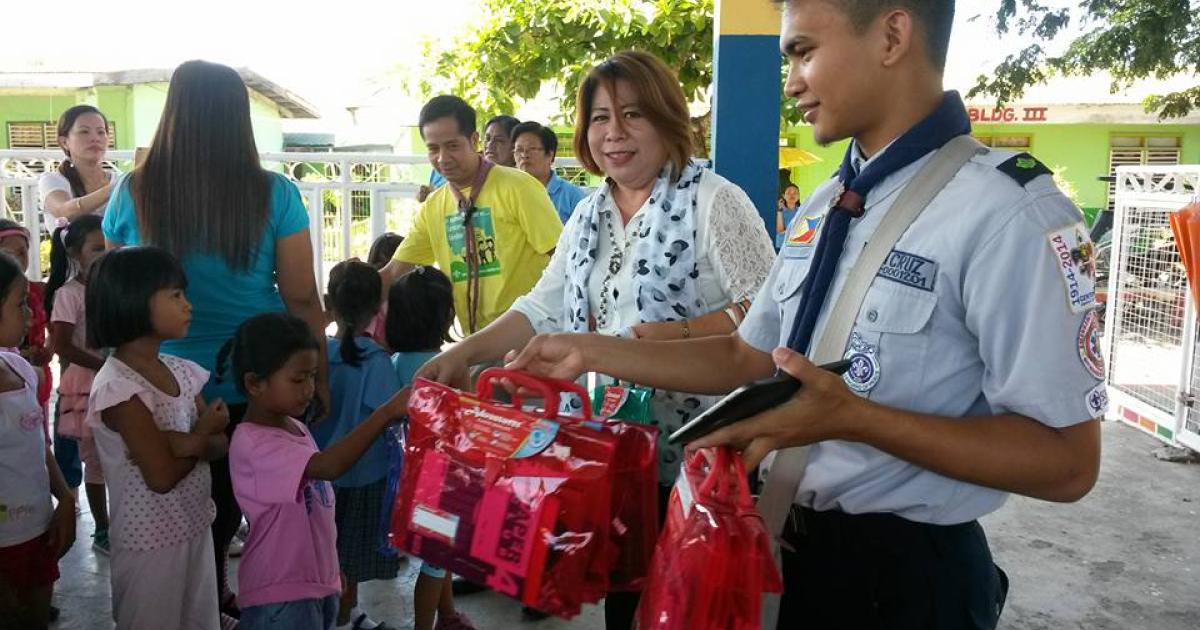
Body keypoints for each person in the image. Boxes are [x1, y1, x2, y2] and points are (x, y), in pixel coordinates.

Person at [506, 1, 1105, 629]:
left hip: (908, 575)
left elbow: (1067, 462)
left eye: (804, 53)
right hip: (796, 549)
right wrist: (590, 350)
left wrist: (854, 419)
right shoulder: (829, 204)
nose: (790, 81)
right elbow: (748, 355)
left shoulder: (1008, 212)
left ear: (893, 36)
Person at [416, 51, 776, 629]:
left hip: (704, 461)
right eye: (600, 118)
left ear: (667, 117)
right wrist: (461, 352)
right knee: (627, 605)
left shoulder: (713, 200)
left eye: (633, 115)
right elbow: (542, 306)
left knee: (695, 610)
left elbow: (766, 318)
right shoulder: (589, 213)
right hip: (616, 455)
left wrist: (674, 334)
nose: (614, 134)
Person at [103, 59, 328, 621]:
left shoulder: (133, 192)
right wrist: (314, 373)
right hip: (254, 378)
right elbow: (301, 297)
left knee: (183, 509)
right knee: (238, 505)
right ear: (239, 118)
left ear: (173, 112)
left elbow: (120, 290)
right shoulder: (275, 193)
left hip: (162, 383)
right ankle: (234, 598)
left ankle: (202, 599)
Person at [220, 313, 410, 630]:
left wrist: (330, 568)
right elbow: (328, 467)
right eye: (298, 379)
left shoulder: (294, 427)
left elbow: (315, 511)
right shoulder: (253, 442)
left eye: (311, 376)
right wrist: (385, 413)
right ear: (254, 383)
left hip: (313, 585)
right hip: (278, 596)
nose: (309, 388)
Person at [84, 246, 230, 630]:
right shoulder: (117, 386)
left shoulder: (181, 370)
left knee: (198, 620)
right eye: (176, 296)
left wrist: (184, 442)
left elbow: (222, 444)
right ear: (132, 302)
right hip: (149, 545)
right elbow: (161, 476)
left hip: (194, 526)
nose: (188, 305)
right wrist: (198, 436)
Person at [380, 96, 561, 335]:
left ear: (474, 140)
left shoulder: (518, 187)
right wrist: (337, 304)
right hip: (475, 343)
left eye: (452, 146)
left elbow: (564, 258)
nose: (442, 158)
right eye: (433, 149)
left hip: (530, 337)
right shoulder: (434, 206)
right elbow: (394, 271)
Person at [309, 261, 401, 630]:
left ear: (329, 302)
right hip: (364, 477)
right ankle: (343, 619)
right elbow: (392, 417)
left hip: (320, 475)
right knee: (349, 560)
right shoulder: (378, 362)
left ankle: (335, 616)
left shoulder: (316, 357)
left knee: (325, 552)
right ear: (379, 307)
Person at [383, 267, 475, 630]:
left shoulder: (392, 363)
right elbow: (467, 421)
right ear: (446, 316)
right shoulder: (450, 365)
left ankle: (448, 614)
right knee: (435, 561)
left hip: (405, 474)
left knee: (440, 553)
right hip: (440, 480)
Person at [0, 251, 76, 630]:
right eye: (19, 305)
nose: (30, 316)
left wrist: (64, 496)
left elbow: (37, 444)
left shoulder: (19, 368)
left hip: (36, 531)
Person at [45, 215, 109, 554]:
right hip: (86, 384)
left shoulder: (114, 289)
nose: (105, 253)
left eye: (108, 246)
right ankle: (103, 529)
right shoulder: (69, 294)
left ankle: (123, 520)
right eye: (96, 248)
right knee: (95, 460)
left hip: (112, 379)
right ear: (74, 252)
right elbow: (62, 345)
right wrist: (104, 364)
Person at [0, 221, 53, 440]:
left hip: (35, 371)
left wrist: (47, 351)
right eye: (21, 305)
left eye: (22, 252)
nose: (30, 317)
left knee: (35, 426)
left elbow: (55, 327)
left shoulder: (39, 291)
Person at [38, 105, 118, 228]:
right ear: (64, 142)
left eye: (101, 132)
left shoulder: (117, 179)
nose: (95, 138)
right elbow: (63, 212)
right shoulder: (53, 180)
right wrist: (115, 189)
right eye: (84, 132)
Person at [511, 121, 587, 223]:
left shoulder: (571, 196)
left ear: (550, 155)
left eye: (532, 149)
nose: (524, 155)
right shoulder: (509, 192)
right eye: (519, 150)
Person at [776, 183, 801, 249]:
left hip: (797, 245)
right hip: (782, 246)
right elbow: (780, 231)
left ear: (798, 197)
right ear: (784, 196)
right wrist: (780, 210)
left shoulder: (801, 210)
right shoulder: (780, 211)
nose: (792, 195)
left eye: (795, 193)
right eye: (789, 192)